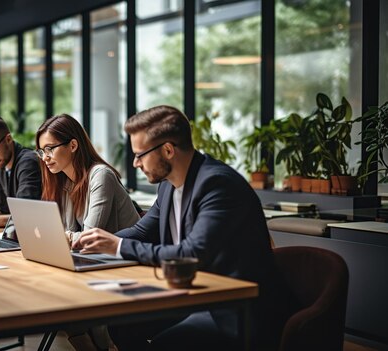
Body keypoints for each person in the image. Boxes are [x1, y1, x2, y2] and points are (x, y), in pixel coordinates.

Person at [73, 105, 296, 350]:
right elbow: (141, 231)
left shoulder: (217, 185)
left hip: (236, 310)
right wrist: (88, 242)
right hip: (192, 294)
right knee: (121, 322)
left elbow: (191, 254)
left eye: (140, 155)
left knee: (169, 342)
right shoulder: (168, 185)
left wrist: (118, 246)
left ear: (168, 150)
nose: (135, 163)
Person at [36, 114, 140, 350]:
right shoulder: (66, 181)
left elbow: (90, 234)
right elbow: (69, 233)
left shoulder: (100, 175)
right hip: (96, 261)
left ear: (73, 145)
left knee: (64, 298)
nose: (45, 158)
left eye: (50, 149)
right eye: (41, 151)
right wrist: (62, 236)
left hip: (124, 264)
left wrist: (62, 236)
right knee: (53, 292)